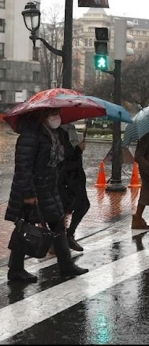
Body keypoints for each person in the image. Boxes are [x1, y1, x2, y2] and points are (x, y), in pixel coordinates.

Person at [5, 108, 88, 283]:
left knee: (58, 226)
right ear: (41, 115)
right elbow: (23, 167)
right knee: (24, 228)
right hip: (33, 190)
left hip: (49, 189)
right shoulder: (30, 135)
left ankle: (66, 265)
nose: (57, 117)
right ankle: (16, 270)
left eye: (58, 113)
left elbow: (57, 161)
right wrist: (28, 194)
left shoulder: (52, 134)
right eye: (53, 113)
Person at [56, 122, 91, 251]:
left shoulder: (69, 131)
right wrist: (78, 150)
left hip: (76, 180)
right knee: (62, 211)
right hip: (65, 181)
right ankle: (59, 242)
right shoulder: (58, 134)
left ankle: (68, 236)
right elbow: (64, 161)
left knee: (82, 206)